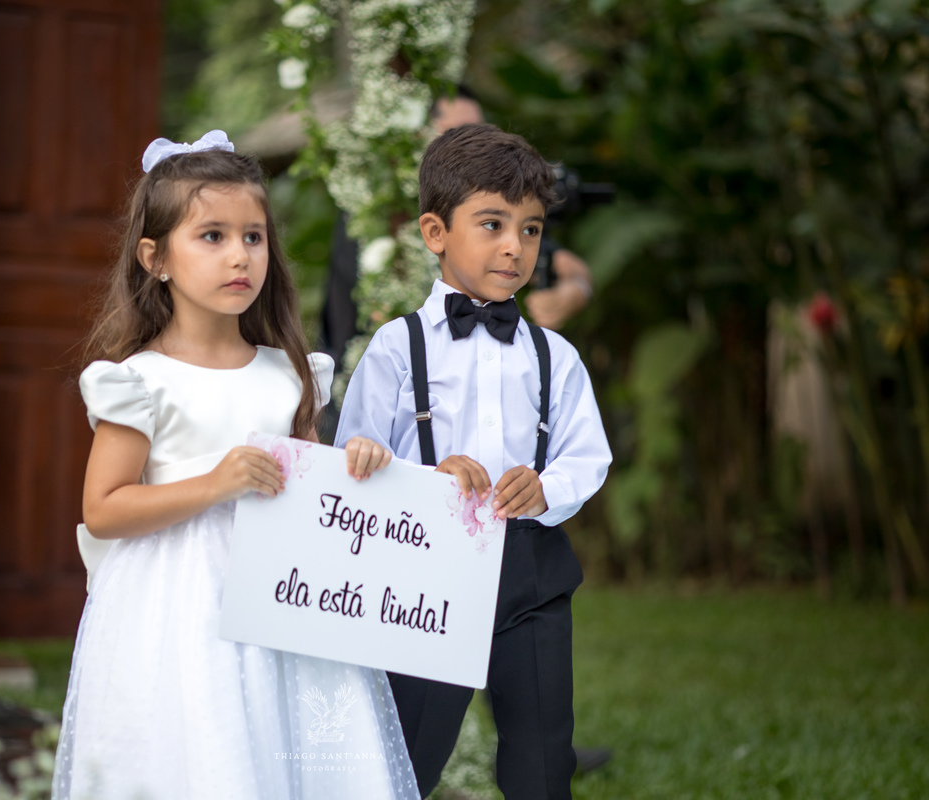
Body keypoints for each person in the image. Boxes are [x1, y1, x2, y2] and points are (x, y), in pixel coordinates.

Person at [52, 131, 420, 800]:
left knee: (285, 739)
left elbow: (311, 489)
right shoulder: (141, 381)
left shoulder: (289, 374)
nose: (239, 255)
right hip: (175, 601)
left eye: (253, 237)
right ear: (155, 258)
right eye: (212, 236)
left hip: (281, 592)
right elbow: (103, 509)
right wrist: (214, 484)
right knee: (203, 742)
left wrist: (355, 463)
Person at [333, 124, 613, 799]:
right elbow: (354, 460)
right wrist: (425, 481)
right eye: (492, 224)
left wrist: (546, 487)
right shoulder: (397, 348)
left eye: (530, 229)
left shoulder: (554, 355)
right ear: (435, 232)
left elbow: (587, 453)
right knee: (410, 751)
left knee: (542, 755)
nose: (514, 246)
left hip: (530, 576)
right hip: (426, 574)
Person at [319, 89, 594, 376]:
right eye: (454, 132)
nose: (470, 145)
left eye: (478, 133)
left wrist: (571, 293)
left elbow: (571, 270)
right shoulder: (375, 212)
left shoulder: (499, 216)